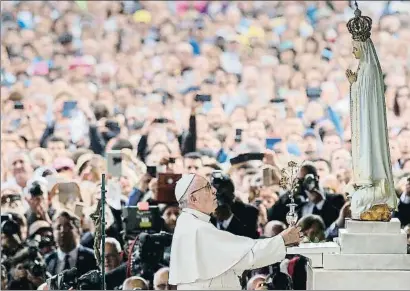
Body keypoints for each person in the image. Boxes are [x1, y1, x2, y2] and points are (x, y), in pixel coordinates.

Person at [169, 174, 302, 290]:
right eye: (208, 188)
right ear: (193, 199)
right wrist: (282, 240)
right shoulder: (198, 229)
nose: (215, 191)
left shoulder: (189, 223)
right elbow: (247, 255)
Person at [345, 3, 398, 220]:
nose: (353, 50)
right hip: (363, 121)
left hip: (369, 123)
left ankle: (374, 186)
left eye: (355, 46)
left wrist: (355, 84)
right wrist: (353, 83)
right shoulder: (364, 69)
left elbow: (366, 98)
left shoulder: (368, 69)